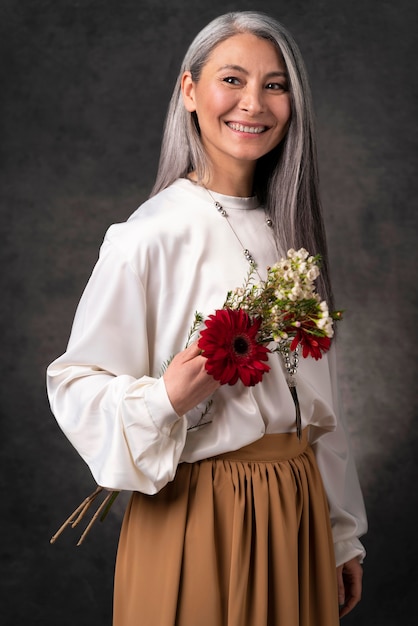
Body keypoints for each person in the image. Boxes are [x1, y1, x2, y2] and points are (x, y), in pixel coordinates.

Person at [47, 11, 367, 626]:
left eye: (276, 85)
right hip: (202, 513)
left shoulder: (288, 229)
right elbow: (75, 383)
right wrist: (164, 398)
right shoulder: (148, 235)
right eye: (233, 79)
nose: (255, 103)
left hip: (297, 508)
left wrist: (340, 531)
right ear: (190, 91)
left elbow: (319, 408)